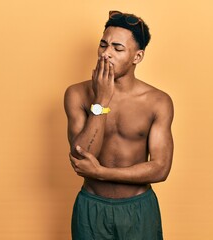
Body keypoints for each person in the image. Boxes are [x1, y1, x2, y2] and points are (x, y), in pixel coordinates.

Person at [64, 10, 174, 240]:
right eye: (103, 45)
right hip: (91, 209)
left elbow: (161, 168)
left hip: (138, 210)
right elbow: (81, 157)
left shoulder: (157, 101)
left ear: (137, 56)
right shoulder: (77, 94)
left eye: (118, 48)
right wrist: (101, 102)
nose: (106, 54)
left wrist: (102, 173)